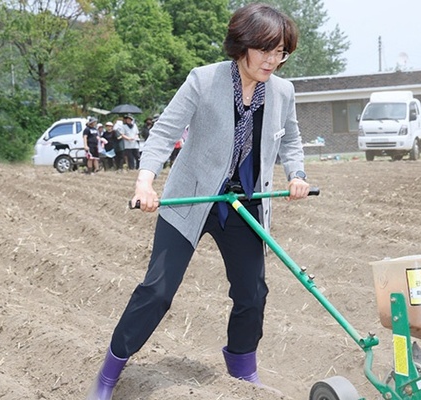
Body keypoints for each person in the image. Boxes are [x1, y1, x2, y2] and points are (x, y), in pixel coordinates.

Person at [86, 4, 309, 399]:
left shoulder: (283, 91)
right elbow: (162, 134)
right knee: (157, 291)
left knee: (252, 293)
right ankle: (109, 373)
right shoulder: (203, 81)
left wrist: (297, 175)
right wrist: (145, 183)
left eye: (281, 53)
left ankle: (242, 370)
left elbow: (289, 138)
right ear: (242, 46)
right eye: (266, 51)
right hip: (191, 199)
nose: (274, 61)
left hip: (244, 202)